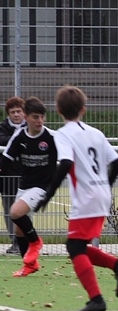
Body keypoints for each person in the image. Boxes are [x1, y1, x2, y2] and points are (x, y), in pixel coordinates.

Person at [34, 85, 118, 311]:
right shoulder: (95, 133)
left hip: (87, 197)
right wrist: (105, 186)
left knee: (74, 246)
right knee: (79, 246)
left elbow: (66, 163)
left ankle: (97, 298)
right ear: (83, 109)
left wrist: (48, 194)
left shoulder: (64, 134)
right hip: (101, 195)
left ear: (58, 110)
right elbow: (116, 163)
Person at [0, 97, 56, 276]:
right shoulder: (19, 136)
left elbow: (68, 158)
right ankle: (30, 265)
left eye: (42, 117)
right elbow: (5, 160)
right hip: (24, 187)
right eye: (35, 117)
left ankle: (36, 241)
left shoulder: (51, 137)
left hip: (42, 187)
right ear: (26, 117)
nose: (40, 121)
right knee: (19, 230)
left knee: (15, 212)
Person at [0, 96, 25, 254]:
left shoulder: (30, 126)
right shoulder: (3, 127)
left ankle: (24, 240)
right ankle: (14, 241)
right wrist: (18, 140)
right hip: (7, 177)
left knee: (23, 211)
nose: (16, 115)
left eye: (19, 111)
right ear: (8, 114)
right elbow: (2, 140)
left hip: (25, 176)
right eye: (13, 112)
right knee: (9, 210)